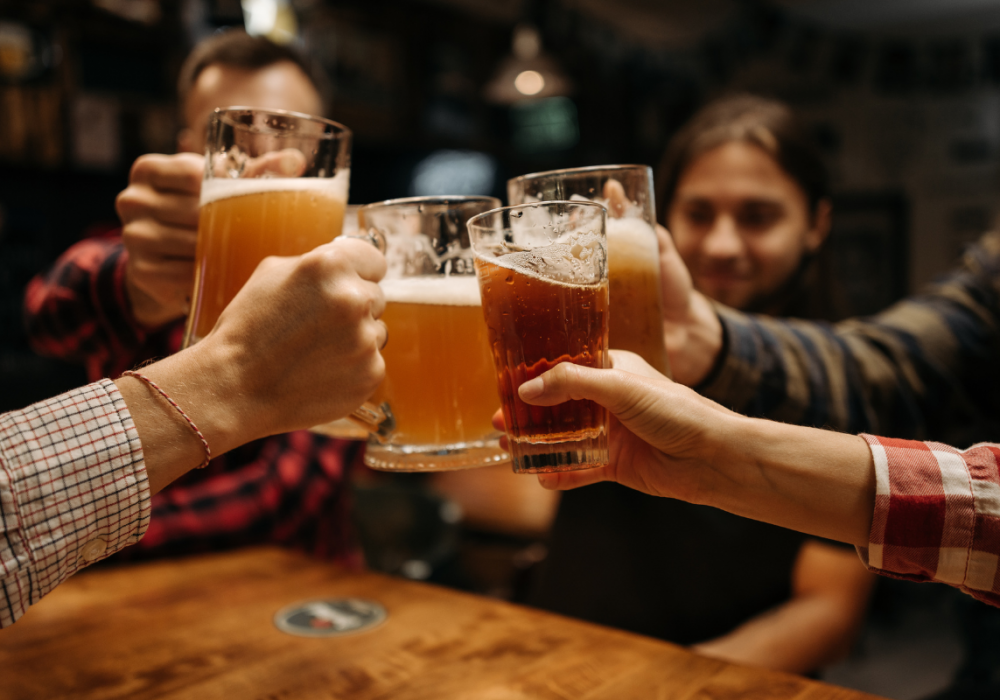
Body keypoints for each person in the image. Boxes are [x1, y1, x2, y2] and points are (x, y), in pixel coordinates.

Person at [528, 96, 872, 676]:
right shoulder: (605, 329)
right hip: (560, 664)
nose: (720, 245)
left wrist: (657, 689)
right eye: (698, 214)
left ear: (817, 224)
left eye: (757, 217)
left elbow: (829, 611)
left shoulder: (847, 382)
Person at [22, 30, 357, 564]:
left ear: (324, 165)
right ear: (188, 152)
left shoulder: (346, 288)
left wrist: (78, 536)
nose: (265, 164)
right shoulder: (144, 255)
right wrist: (139, 288)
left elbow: (289, 491)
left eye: (288, 144)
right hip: (135, 595)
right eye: (237, 142)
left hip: (303, 586)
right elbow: (48, 311)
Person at [3, 236, 387, 628]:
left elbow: (288, 492)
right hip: (129, 606)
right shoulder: (155, 247)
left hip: (303, 599)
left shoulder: (333, 282)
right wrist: (139, 279)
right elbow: (44, 312)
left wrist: (88, 538)